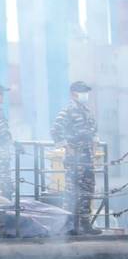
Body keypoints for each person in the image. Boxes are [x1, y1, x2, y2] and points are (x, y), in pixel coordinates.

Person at [51, 80, 99, 234]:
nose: (85, 94)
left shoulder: (86, 111)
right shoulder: (69, 110)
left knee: (87, 191)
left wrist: (95, 144)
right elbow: (56, 129)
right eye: (82, 91)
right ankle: (71, 226)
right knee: (73, 192)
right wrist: (67, 146)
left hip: (87, 158)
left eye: (86, 91)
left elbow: (93, 132)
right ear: (73, 93)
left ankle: (85, 224)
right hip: (75, 158)